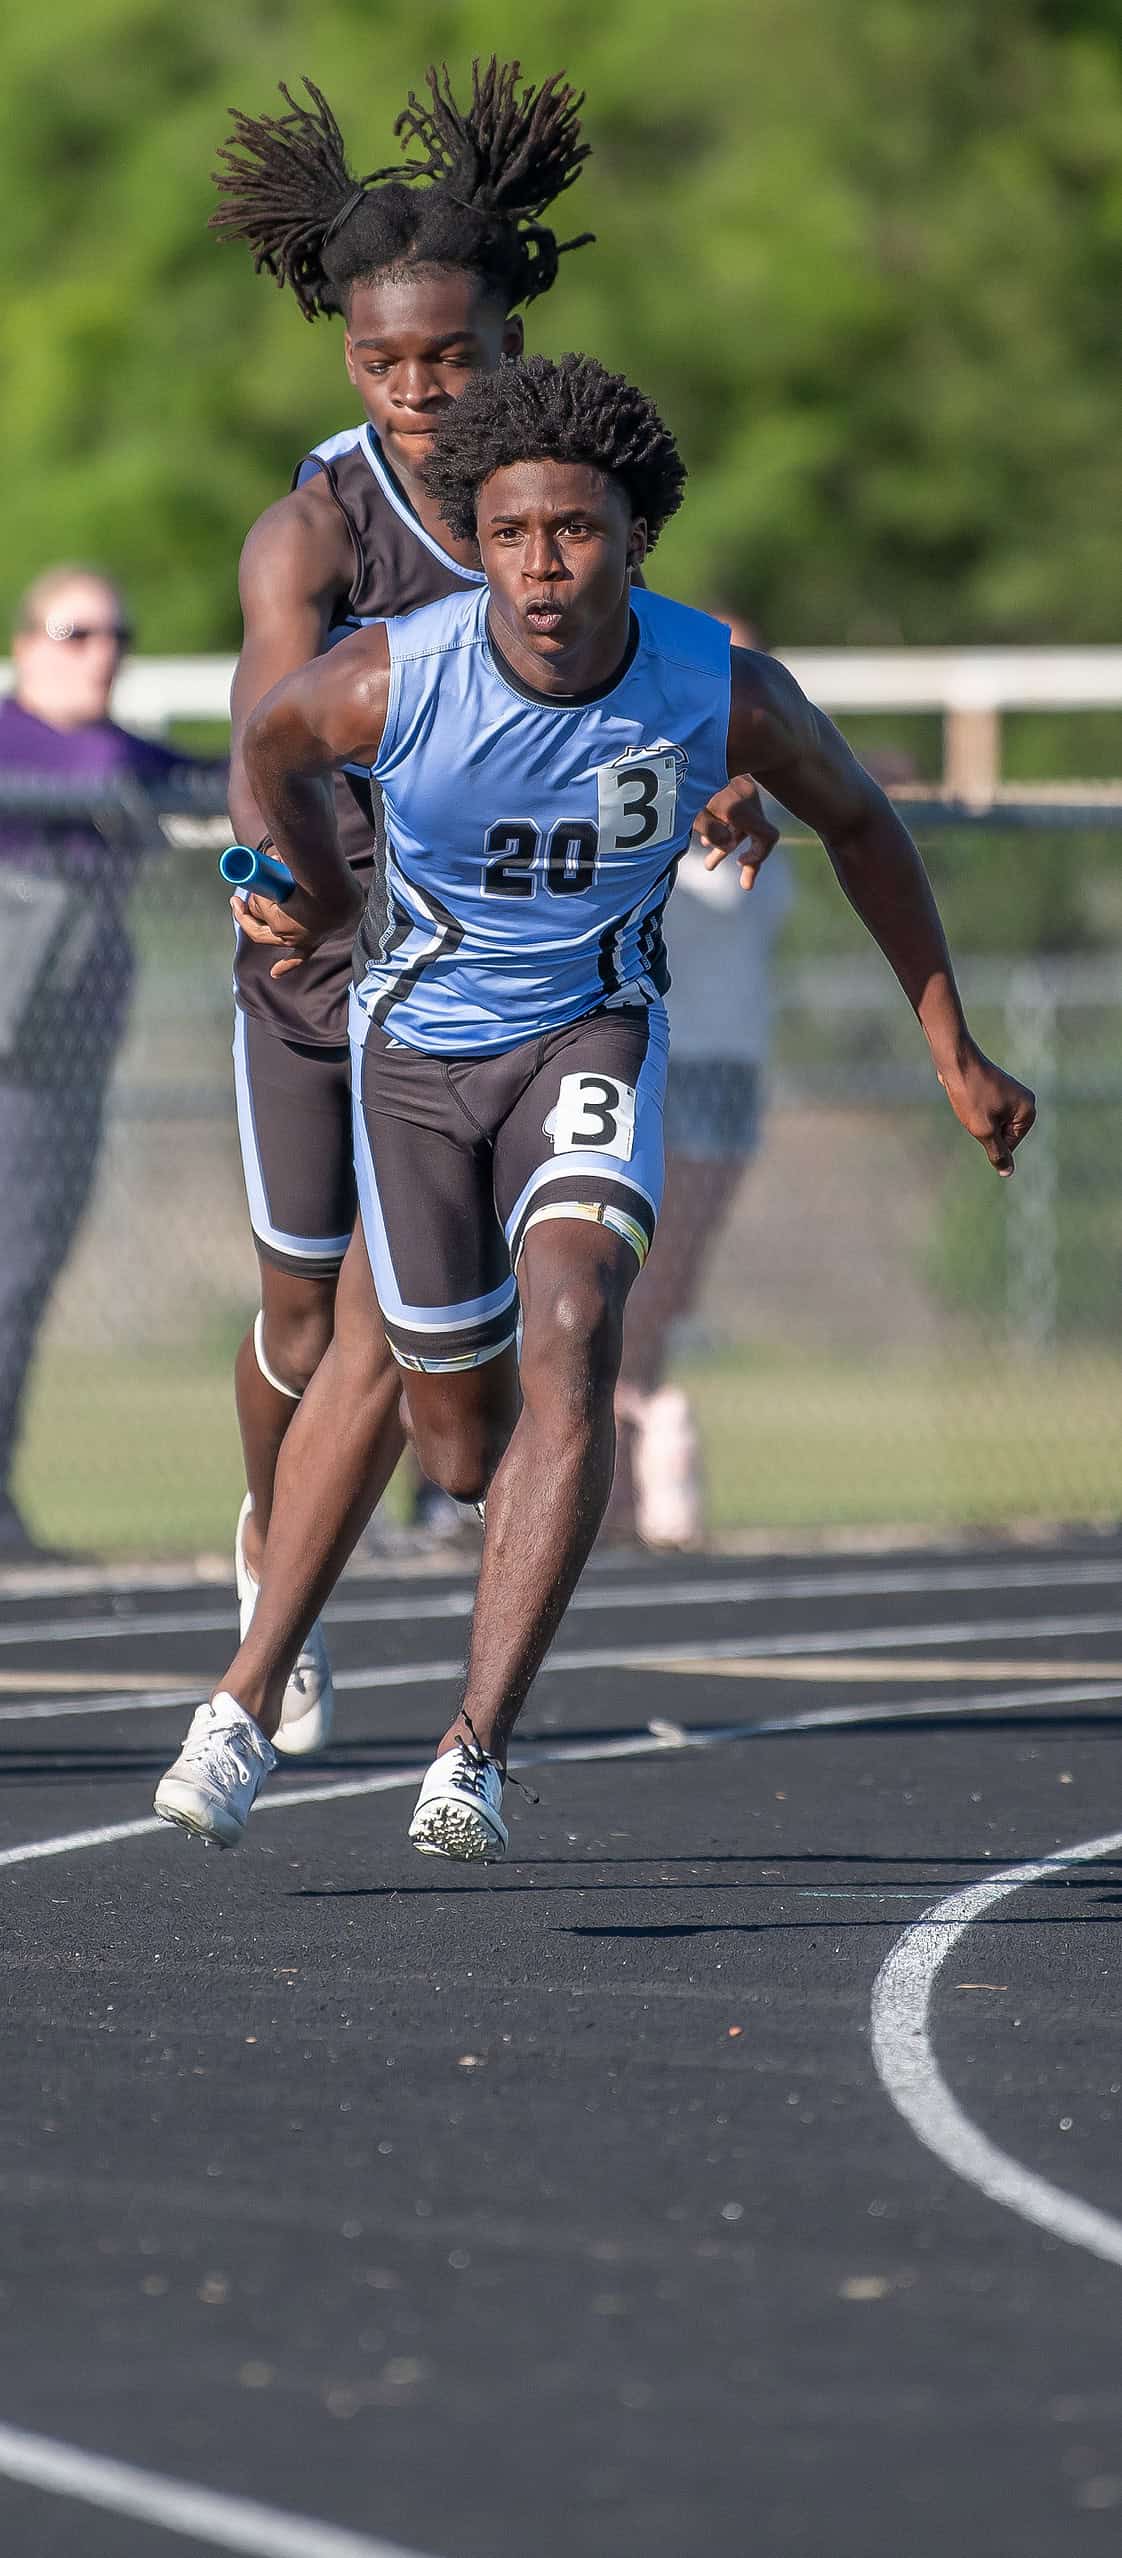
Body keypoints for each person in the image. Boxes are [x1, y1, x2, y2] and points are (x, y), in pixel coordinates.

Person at [154, 352, 1034, 1861]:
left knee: (573, 1324)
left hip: (590, 1038)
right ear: (474, 538)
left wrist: (951, 1046)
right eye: (510, 535)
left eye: (575, 531)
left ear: (634, 536)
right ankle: (252, 1676)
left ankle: (465, 1747)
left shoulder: (716, 685)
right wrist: (301, 885)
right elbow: (269, 747)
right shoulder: (393, 675)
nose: (543, 569)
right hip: (418, 1058)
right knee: (450, 1437)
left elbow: (862, 822)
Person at [210, 58, 765, 1738]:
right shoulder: (312, 529)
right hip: (324, 950)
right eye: (383, 362)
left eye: (450, 356)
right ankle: (269, 1550)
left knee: (416, 1330)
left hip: (493, 980)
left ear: (514, 339)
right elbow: (267, 729)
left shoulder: (564, 501)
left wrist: (720, 789)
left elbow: (670, 686)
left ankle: (347, 1599)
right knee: (305, 1311)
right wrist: (273, 878)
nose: (418, 391)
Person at [0, 566, 206, 1563]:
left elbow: (222, 778)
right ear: (29, 645)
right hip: (11, 1063)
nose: (103, 653)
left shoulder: (118, 749)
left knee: (23, 1277)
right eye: (77, 633)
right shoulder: (19, 742)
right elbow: (97, 780)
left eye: (116, 634)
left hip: (55, 1072)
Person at [608, 610, 792, 1546]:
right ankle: (615, 1460)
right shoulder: (648, 777)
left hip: (731, 1060)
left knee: (672, 1286)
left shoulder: (772, 782)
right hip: (655, 1049)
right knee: (633, 1274)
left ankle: (633, 1434)